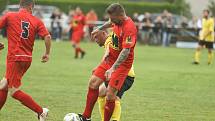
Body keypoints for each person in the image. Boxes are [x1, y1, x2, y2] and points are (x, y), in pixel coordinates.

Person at [77, 3, 137, 121]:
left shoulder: (129, 28)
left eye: (112, 18)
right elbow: (110, 23)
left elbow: (126, 51)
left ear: (120, 15)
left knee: (110, 94)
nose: (111, 21)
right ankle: (86, 117)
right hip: (110, 60)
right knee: (93, 83)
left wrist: (113, 68)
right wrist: (99, 28)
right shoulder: (117, 20)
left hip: (122, 65)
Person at [0, 0, 51, 121]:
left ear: (20, 6)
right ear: (31, 6)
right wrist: (47, 53)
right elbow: (47, 36)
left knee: (13, 90)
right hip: (27, 59)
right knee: (3, 85)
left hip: (15, 58)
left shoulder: (10, 15)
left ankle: (41, 111)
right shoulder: (36, 20)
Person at [94, 30, 135, 121]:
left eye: (96, 37)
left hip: (125, 75)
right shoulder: (112, 38)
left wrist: (99, 68)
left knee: (113, 97)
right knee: (101, 93)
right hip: (116, 73)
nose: (95, 40)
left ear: (104, 33)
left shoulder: (109, 40)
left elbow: (107, 53)